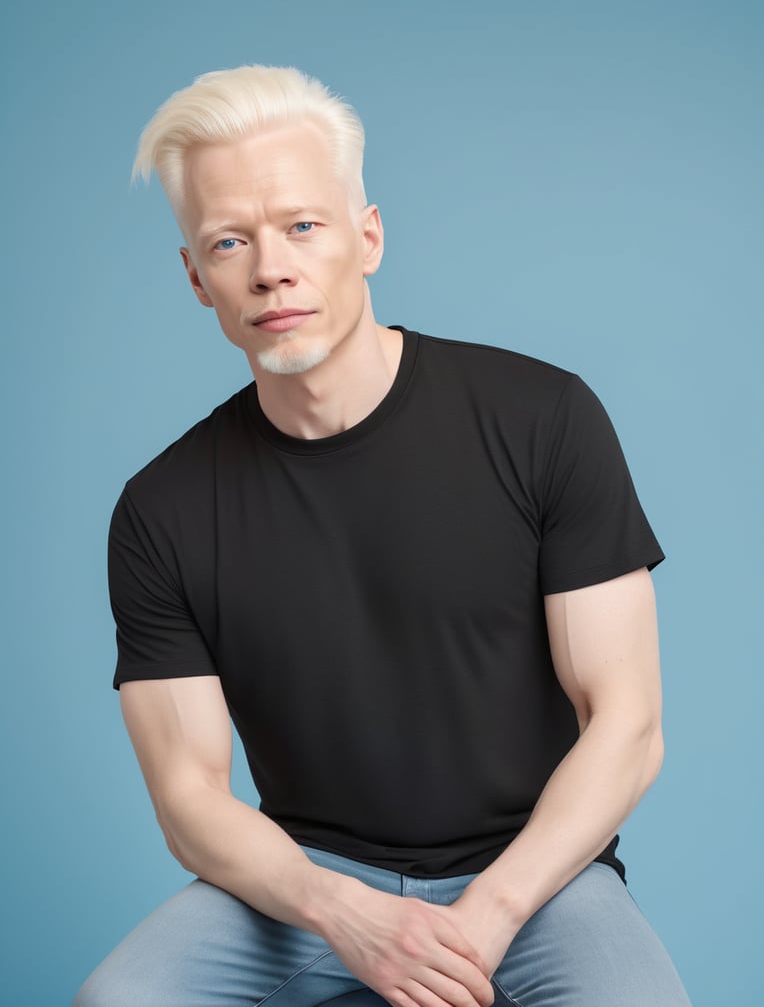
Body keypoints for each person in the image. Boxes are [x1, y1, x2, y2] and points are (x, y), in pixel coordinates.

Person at [74, 65, 691, 1007]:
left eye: (301, 226)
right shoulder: (160, 509)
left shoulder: (542, 418)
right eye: (229, 240)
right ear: (198, 278)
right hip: (303, 890)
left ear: (367, 237)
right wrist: (345, 915)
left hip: (535, 882)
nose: (269, 266)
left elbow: (628, 725)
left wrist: (483, 920)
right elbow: (190, 800)